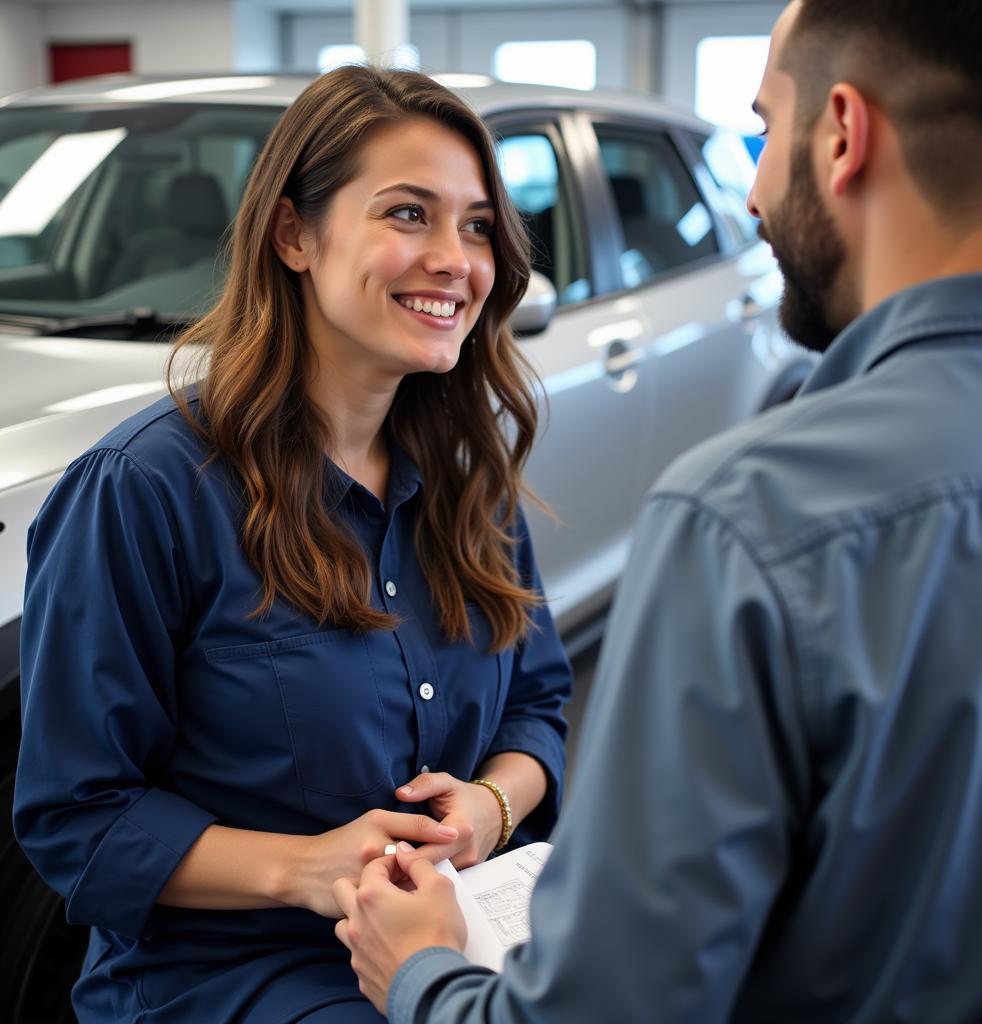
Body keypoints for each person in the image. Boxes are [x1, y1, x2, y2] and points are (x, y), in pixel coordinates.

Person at [333, 2, 982, 1021]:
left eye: (761, 128)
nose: (747, 191)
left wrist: (425, 973)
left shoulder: (750, 521)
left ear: (840, 134)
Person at [14, 66, 572, 1023]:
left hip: (449, 941)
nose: (455, 259)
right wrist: (306, 869)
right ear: (293, 235)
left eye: (478, 225)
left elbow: (539, 704)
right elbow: (76, 817)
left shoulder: (467, 474)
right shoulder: (147, 489)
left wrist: (490, 808)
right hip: (234, 978)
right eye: (408, 214)